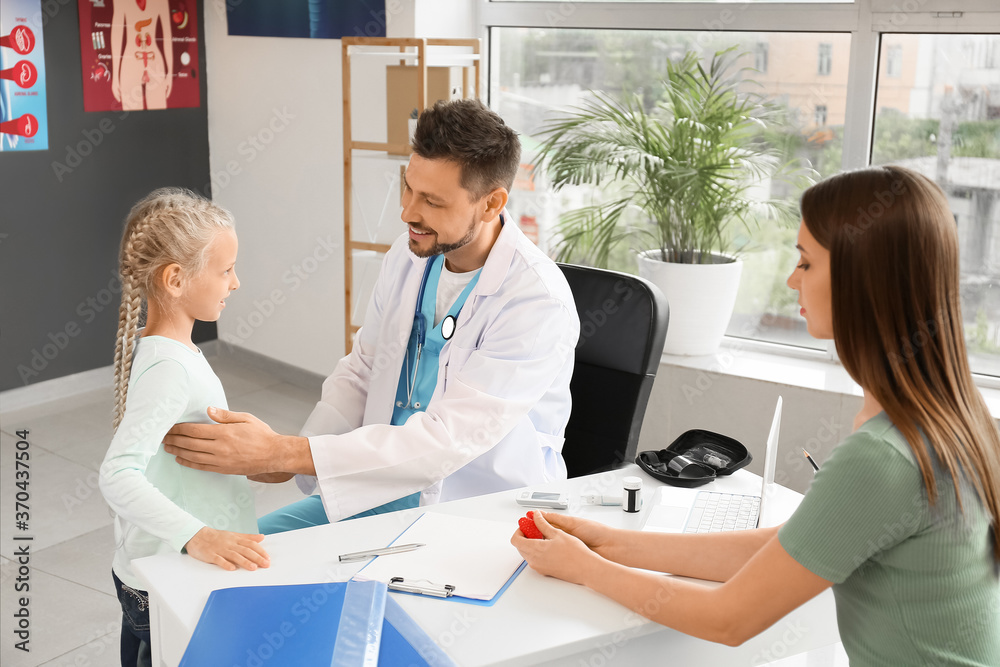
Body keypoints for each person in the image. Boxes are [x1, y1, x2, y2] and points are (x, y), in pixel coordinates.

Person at [512, 166, 1000, 665]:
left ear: (862, 280)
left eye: (806, 263)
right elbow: (788, 548)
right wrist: (610, 543)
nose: (792, 280)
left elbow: (729, 619)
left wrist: (585, 569)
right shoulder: (955, 419)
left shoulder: (883, 456)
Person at [162, 99, 580, 529]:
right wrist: (291, 454)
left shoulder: (535, 301)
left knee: (270, 572)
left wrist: (284, 452)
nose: (407, 213)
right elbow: (363, 371)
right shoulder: (409, 255)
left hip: (473, 511)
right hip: (383, 489)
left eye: (433, 202)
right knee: (238, 553)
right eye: (408, 187)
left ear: (492, 204)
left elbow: (449, 440)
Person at [99, 188, 270, 667]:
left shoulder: (169, 354)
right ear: (175, 279)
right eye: (225, 270)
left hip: (161, 572)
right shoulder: (170, 368)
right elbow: (117, 474)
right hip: (167, 578)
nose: (236, 282)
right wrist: (199, 535)